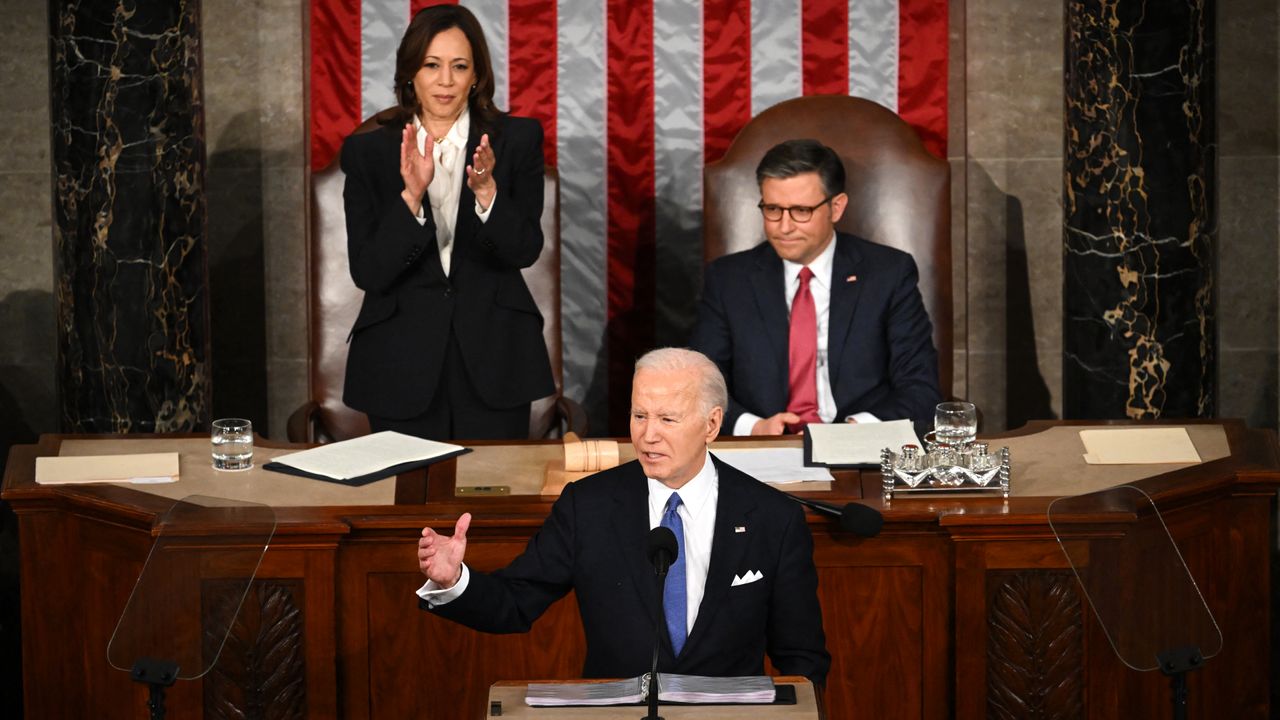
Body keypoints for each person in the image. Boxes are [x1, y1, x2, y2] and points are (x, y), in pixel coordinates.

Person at [416, 348, 830, 686]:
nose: (648, 435)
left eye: (668, 419)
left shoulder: (773, 517)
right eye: (639, 416)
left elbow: (802, 658)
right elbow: (515, 603)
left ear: (712, 424)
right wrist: (454, 580)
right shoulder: (588, 506)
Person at [340, 5, 553, 440]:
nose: (445, 81)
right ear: (410, 73)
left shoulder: (517, 140)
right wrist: (411, 197)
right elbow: (368, 271)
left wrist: (487, 191)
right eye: (431, 65)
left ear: (476, 75)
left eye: (460, 67)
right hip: (397, 362)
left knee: (493, 498)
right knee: (407, 504)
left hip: (498, 356)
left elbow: (525, 249)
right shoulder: (368, 152)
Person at [689, 139, 942, 436]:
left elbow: (920, 388)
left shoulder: (888, 274)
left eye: (800, 211)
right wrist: (754, 427)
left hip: (860, 447)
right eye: (772, 209)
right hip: (763, 450)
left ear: (836, 208)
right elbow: (700, 384)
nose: (783, 227)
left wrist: (853, 431)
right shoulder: (729, 279)